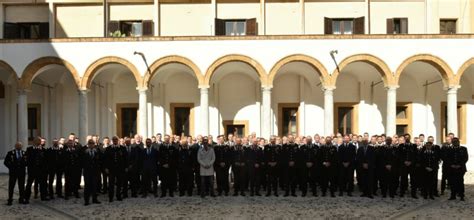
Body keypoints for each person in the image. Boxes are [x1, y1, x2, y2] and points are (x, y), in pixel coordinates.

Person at [25, 137, 48, 203]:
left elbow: (46, 161)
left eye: (39, 141)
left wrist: (45, 169)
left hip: (41, 170)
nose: (38, 142)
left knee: (42, 184)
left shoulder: (43, 150)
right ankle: (26, 198)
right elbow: (27, 159)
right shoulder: (29, 149)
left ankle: (43, 197)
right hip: (32, 170)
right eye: (37, 141)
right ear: (34, 142)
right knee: (29, 184)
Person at [104, 136, 127, 202]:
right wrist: (106, 168)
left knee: (119, 183)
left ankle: (118, 196)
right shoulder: (108, 148)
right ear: (112, 140)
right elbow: (105, 159)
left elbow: (125, 159)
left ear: (118, 140)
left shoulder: (122, 148)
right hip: (111, 169)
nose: (115, 141)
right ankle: (111, 197)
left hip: (120, 169)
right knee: (111, 183)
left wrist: (125, 167)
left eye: (116, 139)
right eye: (113, 139)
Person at [82, 140, 101, 206]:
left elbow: (99, 161)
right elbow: (82, 161)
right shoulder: (85, 152)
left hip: (95, 172)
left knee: (94, 186)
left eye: (92, 143)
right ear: (88, 144)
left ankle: (94, 199)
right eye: (90, 143)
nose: (91, 145)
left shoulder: (97, 151)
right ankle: (86, 200)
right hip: (87, 172)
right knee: (87, 186)